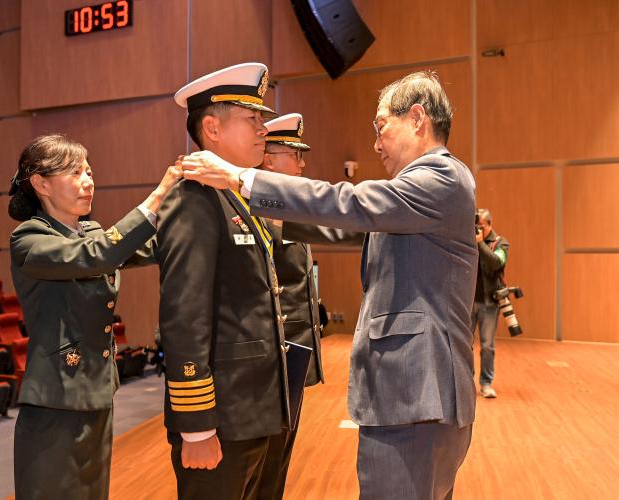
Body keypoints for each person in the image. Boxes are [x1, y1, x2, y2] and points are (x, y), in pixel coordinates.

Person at [180, 70, 478, 500]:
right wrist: (256, 211)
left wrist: (239, 178)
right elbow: (347, 229)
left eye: (380, 128)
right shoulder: (423, 194)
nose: (376, 145)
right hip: (417, 398)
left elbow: (349, 203)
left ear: (416, 118)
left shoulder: (439, 178)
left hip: (415, 398)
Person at [8, 133, 180, 499]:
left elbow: (143, 245)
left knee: (92, 493)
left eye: (89, 172)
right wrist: (159, 193)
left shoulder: (91, 232)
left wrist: (191, 203)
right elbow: (97, 255)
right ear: (41, 183)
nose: (88, 182)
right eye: (75, 172)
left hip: (98, 389)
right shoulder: (29, 239)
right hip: (57, 397)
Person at [154, 62, 290, 500]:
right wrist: (196, 426)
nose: (263, 130)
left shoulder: (235, 196)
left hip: (252, 410)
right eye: (252, 119)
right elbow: (184, 314)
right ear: (211, 128)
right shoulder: (193, 199)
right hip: (221, 417)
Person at [255, 113, 324, 500]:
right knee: (267, 463)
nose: (301, 164)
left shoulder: (285, 207)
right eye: (293, 155)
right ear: (269, 159)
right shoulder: (263, 210)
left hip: (294, 351)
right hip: (275, 355)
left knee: (279, 458)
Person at [471, 208, 509, 399]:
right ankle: (466, 382)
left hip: (488, 304)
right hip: (467, 304)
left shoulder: (500, 243)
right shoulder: (469, 242)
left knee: (487, 346)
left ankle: (486, 383)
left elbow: (496, 262)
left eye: (481, 227)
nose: (478, 230)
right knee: (463, 345)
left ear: (489, 225)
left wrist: (480, 245)